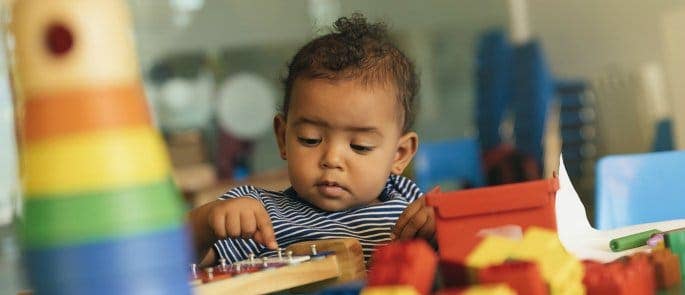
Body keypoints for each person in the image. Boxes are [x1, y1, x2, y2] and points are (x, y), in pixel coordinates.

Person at [188, 13, 435, 265]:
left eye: (360, 146)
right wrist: (206, 222)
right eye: (310, 139)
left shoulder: (410, 211)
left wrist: (441, 231)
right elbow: (173, 260)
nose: (332, 159)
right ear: (283, 138)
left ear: (399, 154)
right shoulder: (259, 215)